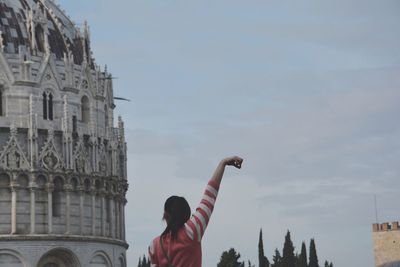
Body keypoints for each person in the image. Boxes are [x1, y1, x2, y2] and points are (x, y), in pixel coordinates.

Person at [148, 156, 243, 267]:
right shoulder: (193, 230)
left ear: (165, 215)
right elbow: (210, 193)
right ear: (186, 215)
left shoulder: (154, 246)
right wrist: (223, 163)